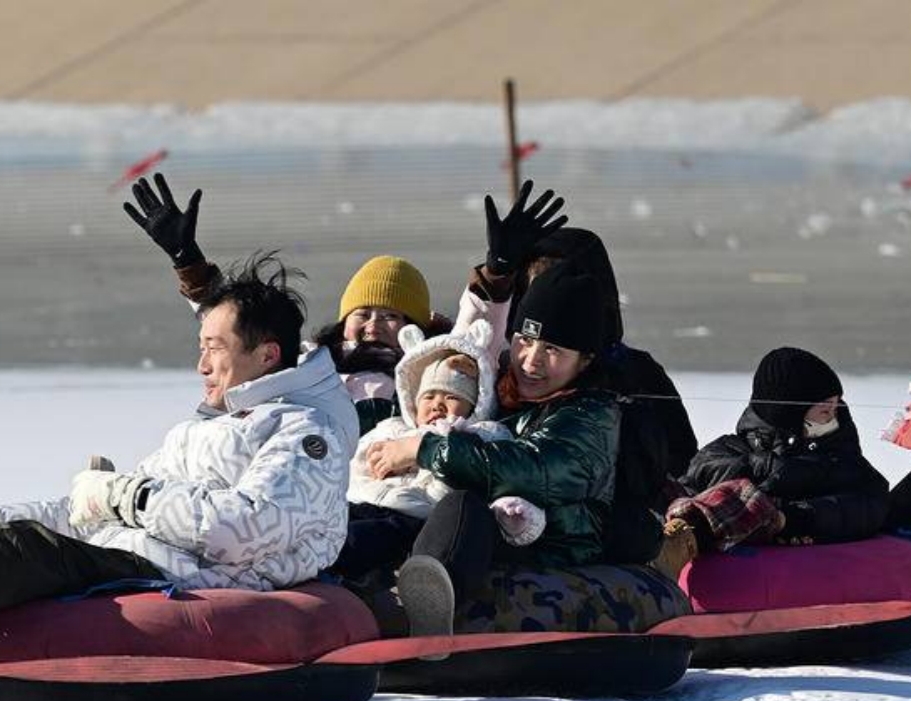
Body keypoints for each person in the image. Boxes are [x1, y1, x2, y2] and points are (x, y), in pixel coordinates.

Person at [0, 257, 359, 611]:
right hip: (133, 548)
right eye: (200, 346)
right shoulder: (208, 428)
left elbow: (244, 529)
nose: (201, 364)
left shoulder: (305, 433)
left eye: (214, 348)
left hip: (193, 576)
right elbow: (88, 509)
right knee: (7, 530)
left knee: (31, 551)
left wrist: (127, 496)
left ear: (266, 355)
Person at [124, 173, 567, 436]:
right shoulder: (313, 365)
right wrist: (188, 262)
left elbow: (475, 337)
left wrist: (498, 270)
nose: (374, 325)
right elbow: (238, 331)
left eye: (391, 316)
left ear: (414, 327)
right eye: (363, 314)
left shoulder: (430, 370)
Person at [363, 269, 619, 638]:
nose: (530, 361)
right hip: (473, 541)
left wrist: (424, 448)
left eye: (552, 350)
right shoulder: (499, 390)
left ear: (585, 360)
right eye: (525, 340)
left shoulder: (590, 417)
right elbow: (418, 400)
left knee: (463, 507)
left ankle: (419, 612)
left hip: (542, 551)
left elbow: (534, 470)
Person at [453, 201, 688, 564]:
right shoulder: (506, 368)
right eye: (534, 285)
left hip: (597, 543)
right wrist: (496, 273)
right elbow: (459, 360)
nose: (550, 297)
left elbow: (680, 457)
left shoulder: (627, 377)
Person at [334, 318, 545, 583]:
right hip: (366, 501)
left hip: (415, 516)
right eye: (429, 396)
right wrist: (374, 463)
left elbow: (494, 475)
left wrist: (518, 514)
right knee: (333, 523)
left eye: (452, 397)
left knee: (360, 540)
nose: (437, 405)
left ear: (476, 404)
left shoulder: (482, 435)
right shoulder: (393, 427)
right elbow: (356, 461)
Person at [653, 345, 890, 580]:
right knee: (737, 493)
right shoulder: (726, 451)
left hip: (802, 558)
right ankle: (672, 547)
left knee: (757, 503)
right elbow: (696, 482)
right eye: (825, 410)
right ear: (788, 414)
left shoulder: (839, 455)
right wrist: (766, 471)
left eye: (836, 407)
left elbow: (870, 502)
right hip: (730, 556)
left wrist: (792, 518)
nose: (834, 417)